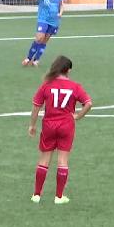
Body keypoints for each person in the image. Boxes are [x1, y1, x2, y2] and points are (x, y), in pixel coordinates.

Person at [28, 55, 93, 204]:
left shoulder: (47, 85)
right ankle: (59, 197)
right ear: (68, 70)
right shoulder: (75, 86)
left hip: (49, 125)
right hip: (66, 126)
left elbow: (36, 107)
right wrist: (78, 116)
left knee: (44, 159)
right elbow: (88, 103)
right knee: (62, 160)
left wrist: (32, 125)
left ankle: (36, 195)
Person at [23, 0, 63, 67]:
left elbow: (61, 5)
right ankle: (28, 58)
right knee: (39, 38)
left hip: (54, 21)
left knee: (45, 41)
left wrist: (60, 13)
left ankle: (36, 60)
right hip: (43, 19)